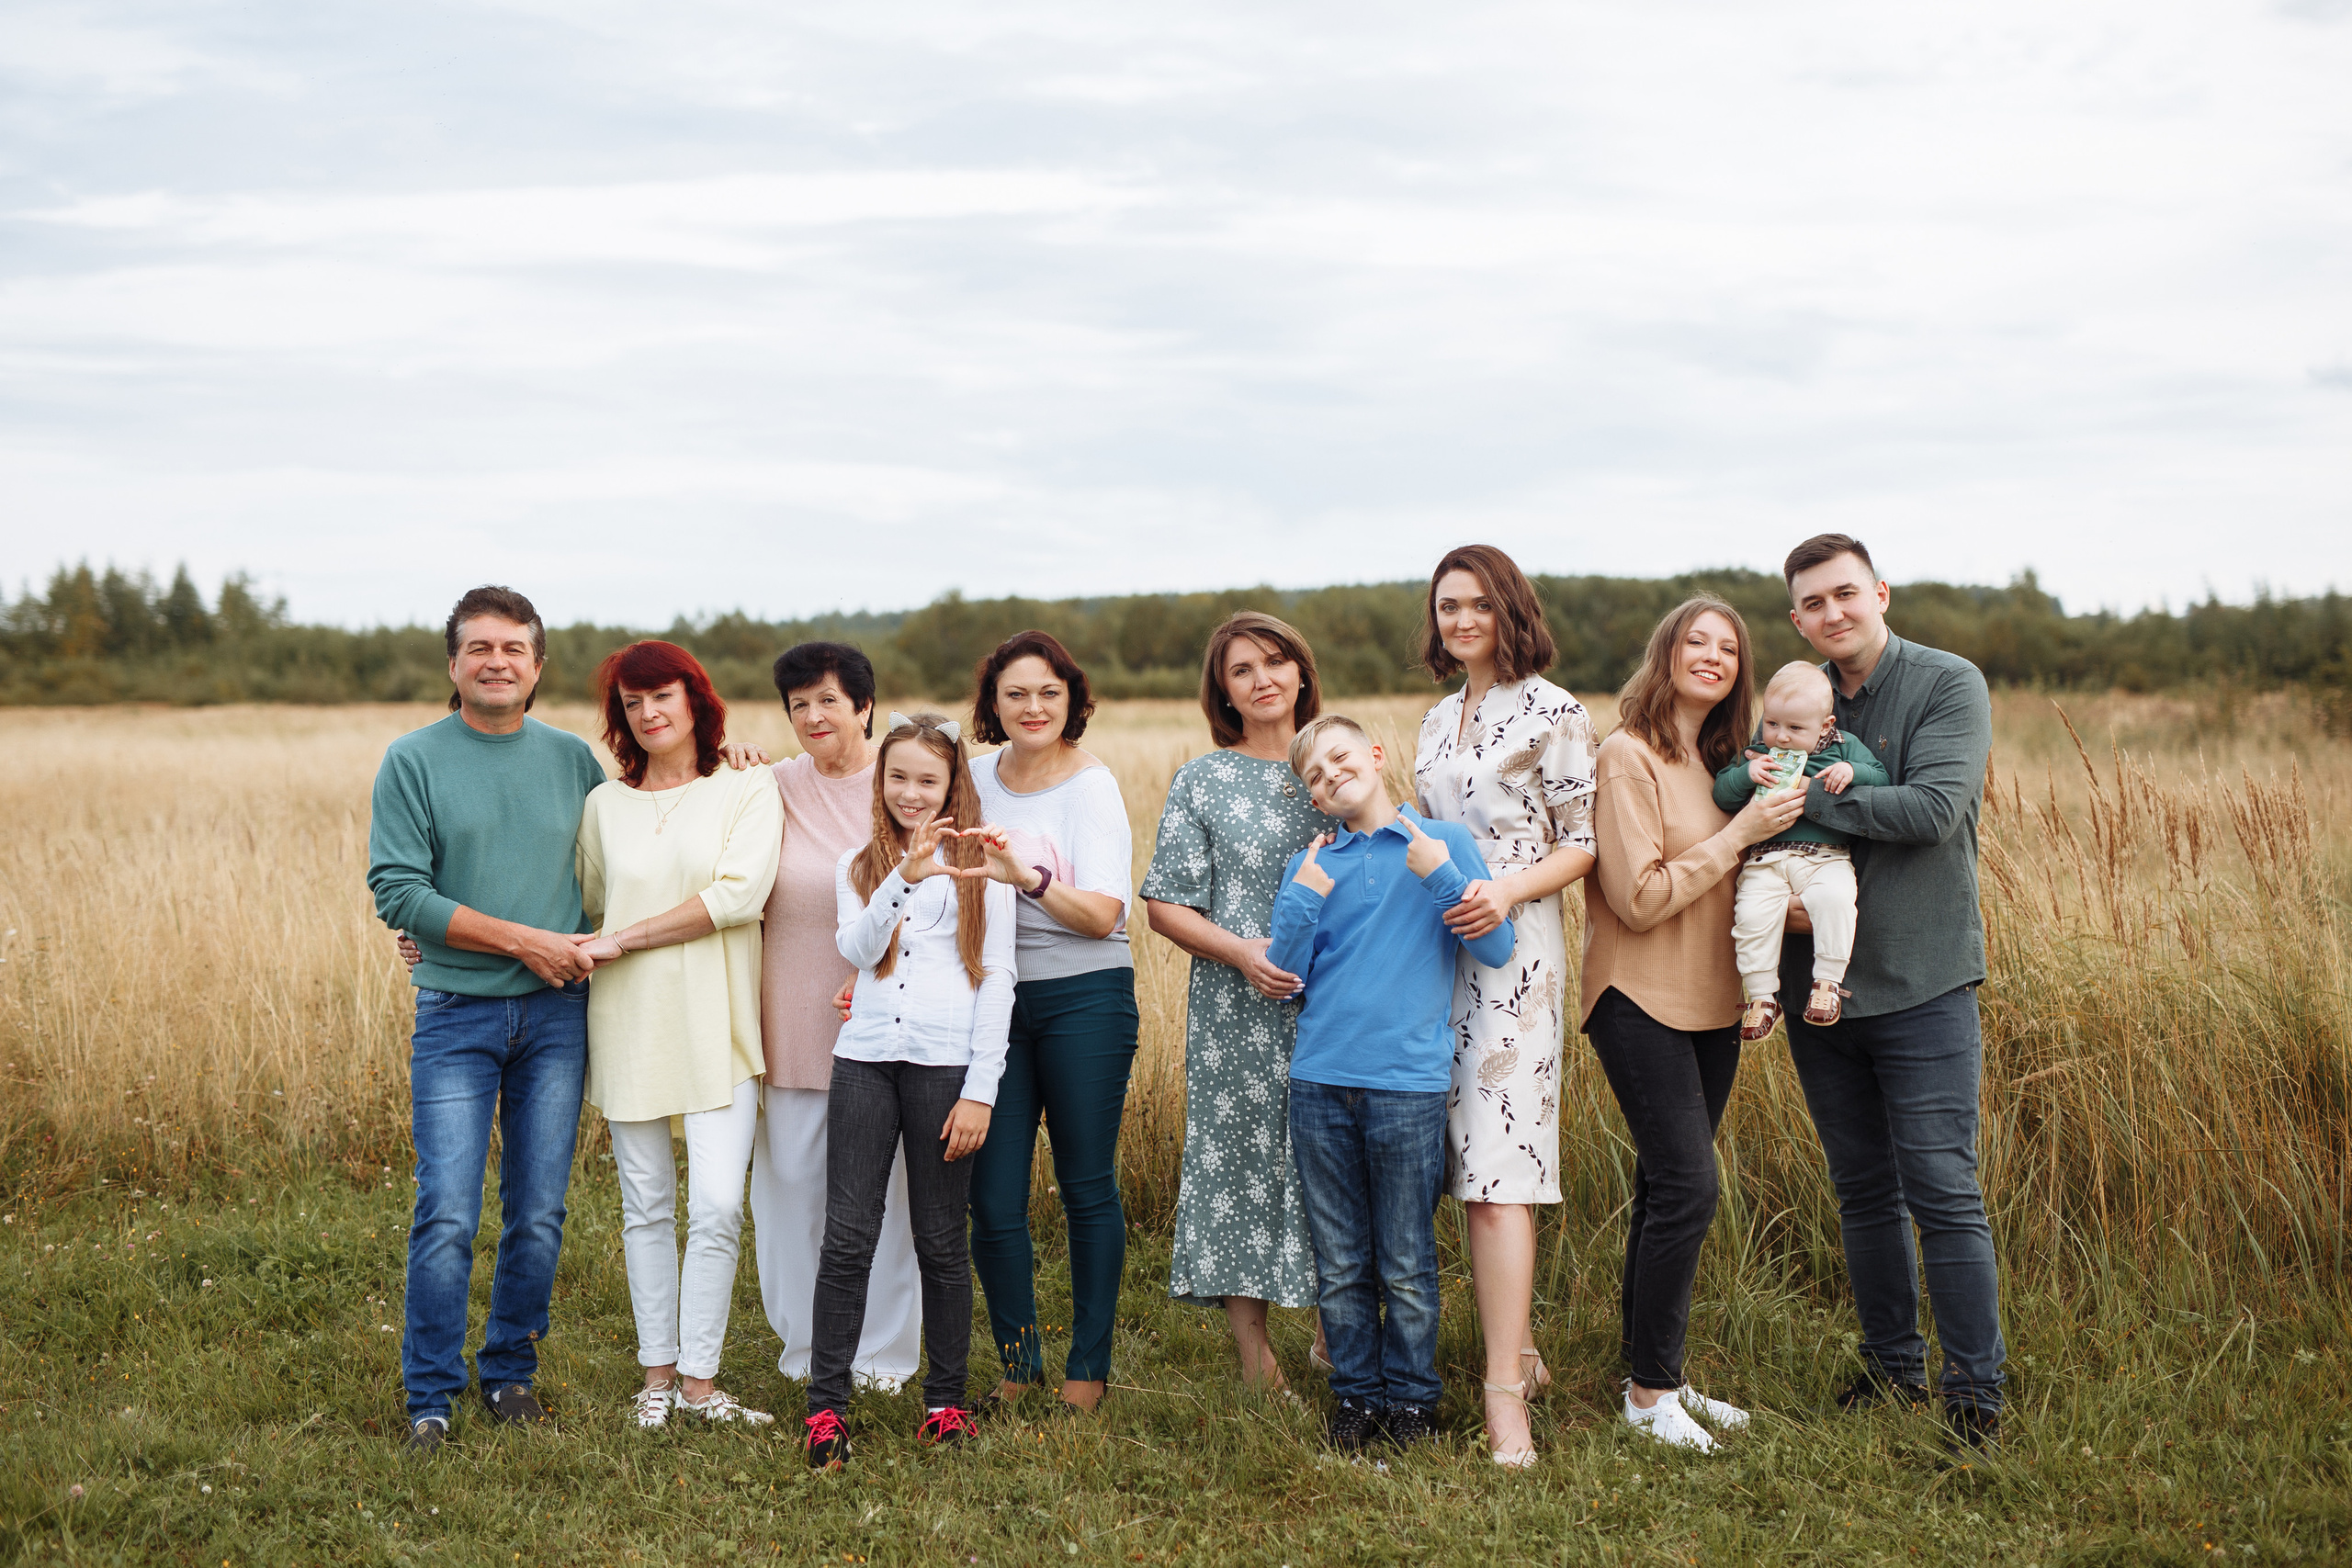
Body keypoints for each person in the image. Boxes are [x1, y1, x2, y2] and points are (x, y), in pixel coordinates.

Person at [1774, 535, 2005, 1450]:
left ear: (1878, 593)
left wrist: (1796, 795)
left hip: (1922, 979)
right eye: (1812, 605)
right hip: (1818, 992)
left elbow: (1932, 810)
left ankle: (1974, 1395)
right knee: (1861, 1187)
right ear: (1796, 620)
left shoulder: (1948, 683)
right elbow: (1732, 803)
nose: (1832, 614)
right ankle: (1889, 1367)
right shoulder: (1795, 697)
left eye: (1844, 595)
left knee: (1943, 1190)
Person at [367, 585, 609, 1453]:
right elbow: (398, 888)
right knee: (447, 1212)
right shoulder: (414, 759)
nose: (496, 661)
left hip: (557, 1018)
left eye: (513, 648)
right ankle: (429, 1393)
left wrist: (737, 770)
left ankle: (508, 1371)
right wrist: (518, 941)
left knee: (540, 1209)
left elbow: (632, 857)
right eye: (479, 647)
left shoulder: (575, 759)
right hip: (456, 1015)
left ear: (538, 665)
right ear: (454, 663)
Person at [1582, 597, 1809, 1452]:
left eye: (1728, 647)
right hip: (1636, 995)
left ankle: (1654, 1377)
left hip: (1717, 1001)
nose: (1711, 655)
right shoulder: (1626, 754)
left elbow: (1747, 888)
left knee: (1660, 1188)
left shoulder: (1732, 764)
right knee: (1690, 1184)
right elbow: (1637, 900)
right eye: (1695, 641)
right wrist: (1743, 832)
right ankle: (1651, 1397)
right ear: (1666, 652)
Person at [1270, 715, 1515, 1454]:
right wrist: (1305, 895)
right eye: (1315, 775)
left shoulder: (1444, 844)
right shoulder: (1311, 863)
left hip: (1406, 1085)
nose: (1331, 775)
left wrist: (1440, 871)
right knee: (1341, 1258)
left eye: (1340, 757)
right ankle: (1356, 1395)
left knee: (1406, 1259)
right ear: (1313, 799)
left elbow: (1497, 946)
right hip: (1319, 1082)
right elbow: (1284, 979)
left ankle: (1411, 1401)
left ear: (1376, 756)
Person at [1409, 545, 1597, 1467]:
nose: (1462, 619)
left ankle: (1502, 1401)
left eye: (1478, 603)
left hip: (1516, 958)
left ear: (1509, 608)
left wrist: (1511, 892)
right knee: (1453, 1162)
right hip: (1432, 956)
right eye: (1448, 606)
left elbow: (1583, 845)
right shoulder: (1438, 719)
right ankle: (1516, 1348)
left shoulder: (1553, 711)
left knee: (1495, 1175)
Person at [572, 640, 782, 1427]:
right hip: (627, 1020)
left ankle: (704, 1381)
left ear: (694, 699)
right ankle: (658, 1380)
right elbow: (586, 902)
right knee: (647, 1205)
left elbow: (737, 895)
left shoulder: (748, 786)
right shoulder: (603, 805)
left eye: (662, 695)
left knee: (720, 1204)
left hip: (716, 1020)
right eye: (632, 702)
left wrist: (626, 938)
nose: (649, 712)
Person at [802, 712, 1014, 1468]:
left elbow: (997, 981)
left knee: (940, 1238)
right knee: (849, 1237)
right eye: (898, 778)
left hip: (943, 1068)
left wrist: (981, 1088)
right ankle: (826, 1408)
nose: (912, 793)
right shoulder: (857, 865)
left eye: (929, 779)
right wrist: (904, 876)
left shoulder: (988, 867)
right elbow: (857, 950)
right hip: (863, 1062)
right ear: (880, 781)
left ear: (953, 781)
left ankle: (945, 1400)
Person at [1140, 612, 1331, 1393]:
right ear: (1223, 690)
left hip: (1338, 1003)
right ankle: (1257, 1360)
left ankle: (1336, 1333)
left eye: (1276, 661)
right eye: (1242, 670)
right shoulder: (1203, 780)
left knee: (1338, 1163)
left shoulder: (1338, 759)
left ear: (1300, 670)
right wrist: (1243, 953)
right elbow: (1164, 903)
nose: (1263, 679)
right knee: (1237, 1163)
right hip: (1235, 1007)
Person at [962, 630, 1138, 1416]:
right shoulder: (971, 779)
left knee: (1084, 1184)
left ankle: (1086, 1369)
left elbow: (1102, 915)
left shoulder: (1090, 786)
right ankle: (1017, 1360)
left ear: (1072, 699)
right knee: (992, 1198)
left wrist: (1026, 878)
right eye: (1016, 693)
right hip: (990, 1003)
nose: (1033, 707)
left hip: (1085, 998)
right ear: (993, 704)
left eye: (1048, 692)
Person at [745, 643, 925, 1394]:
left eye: (828, 700)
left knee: (887, 1196)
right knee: (790, 1190)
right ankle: (807, 1349)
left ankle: (882, 1356)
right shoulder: (767, 786)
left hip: (888, 1018)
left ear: (865, 706)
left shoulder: (909, 778)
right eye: (797, 704)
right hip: (789, 1012)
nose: (813, 716)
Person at [1712, 661, 1889, 1041]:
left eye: (1795, 728)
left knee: (1837, 902)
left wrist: (1853, 773)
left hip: (1826, 856)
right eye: (1772, 723)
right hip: (1767, 859)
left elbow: (1881, 775)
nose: (1782, 738)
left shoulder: (1844, 747)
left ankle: (1827, 983)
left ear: (1824, 726)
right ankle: (1761, 996)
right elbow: (1722, 793)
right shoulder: (1758, 753)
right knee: (1750, 914)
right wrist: (1747, 774)